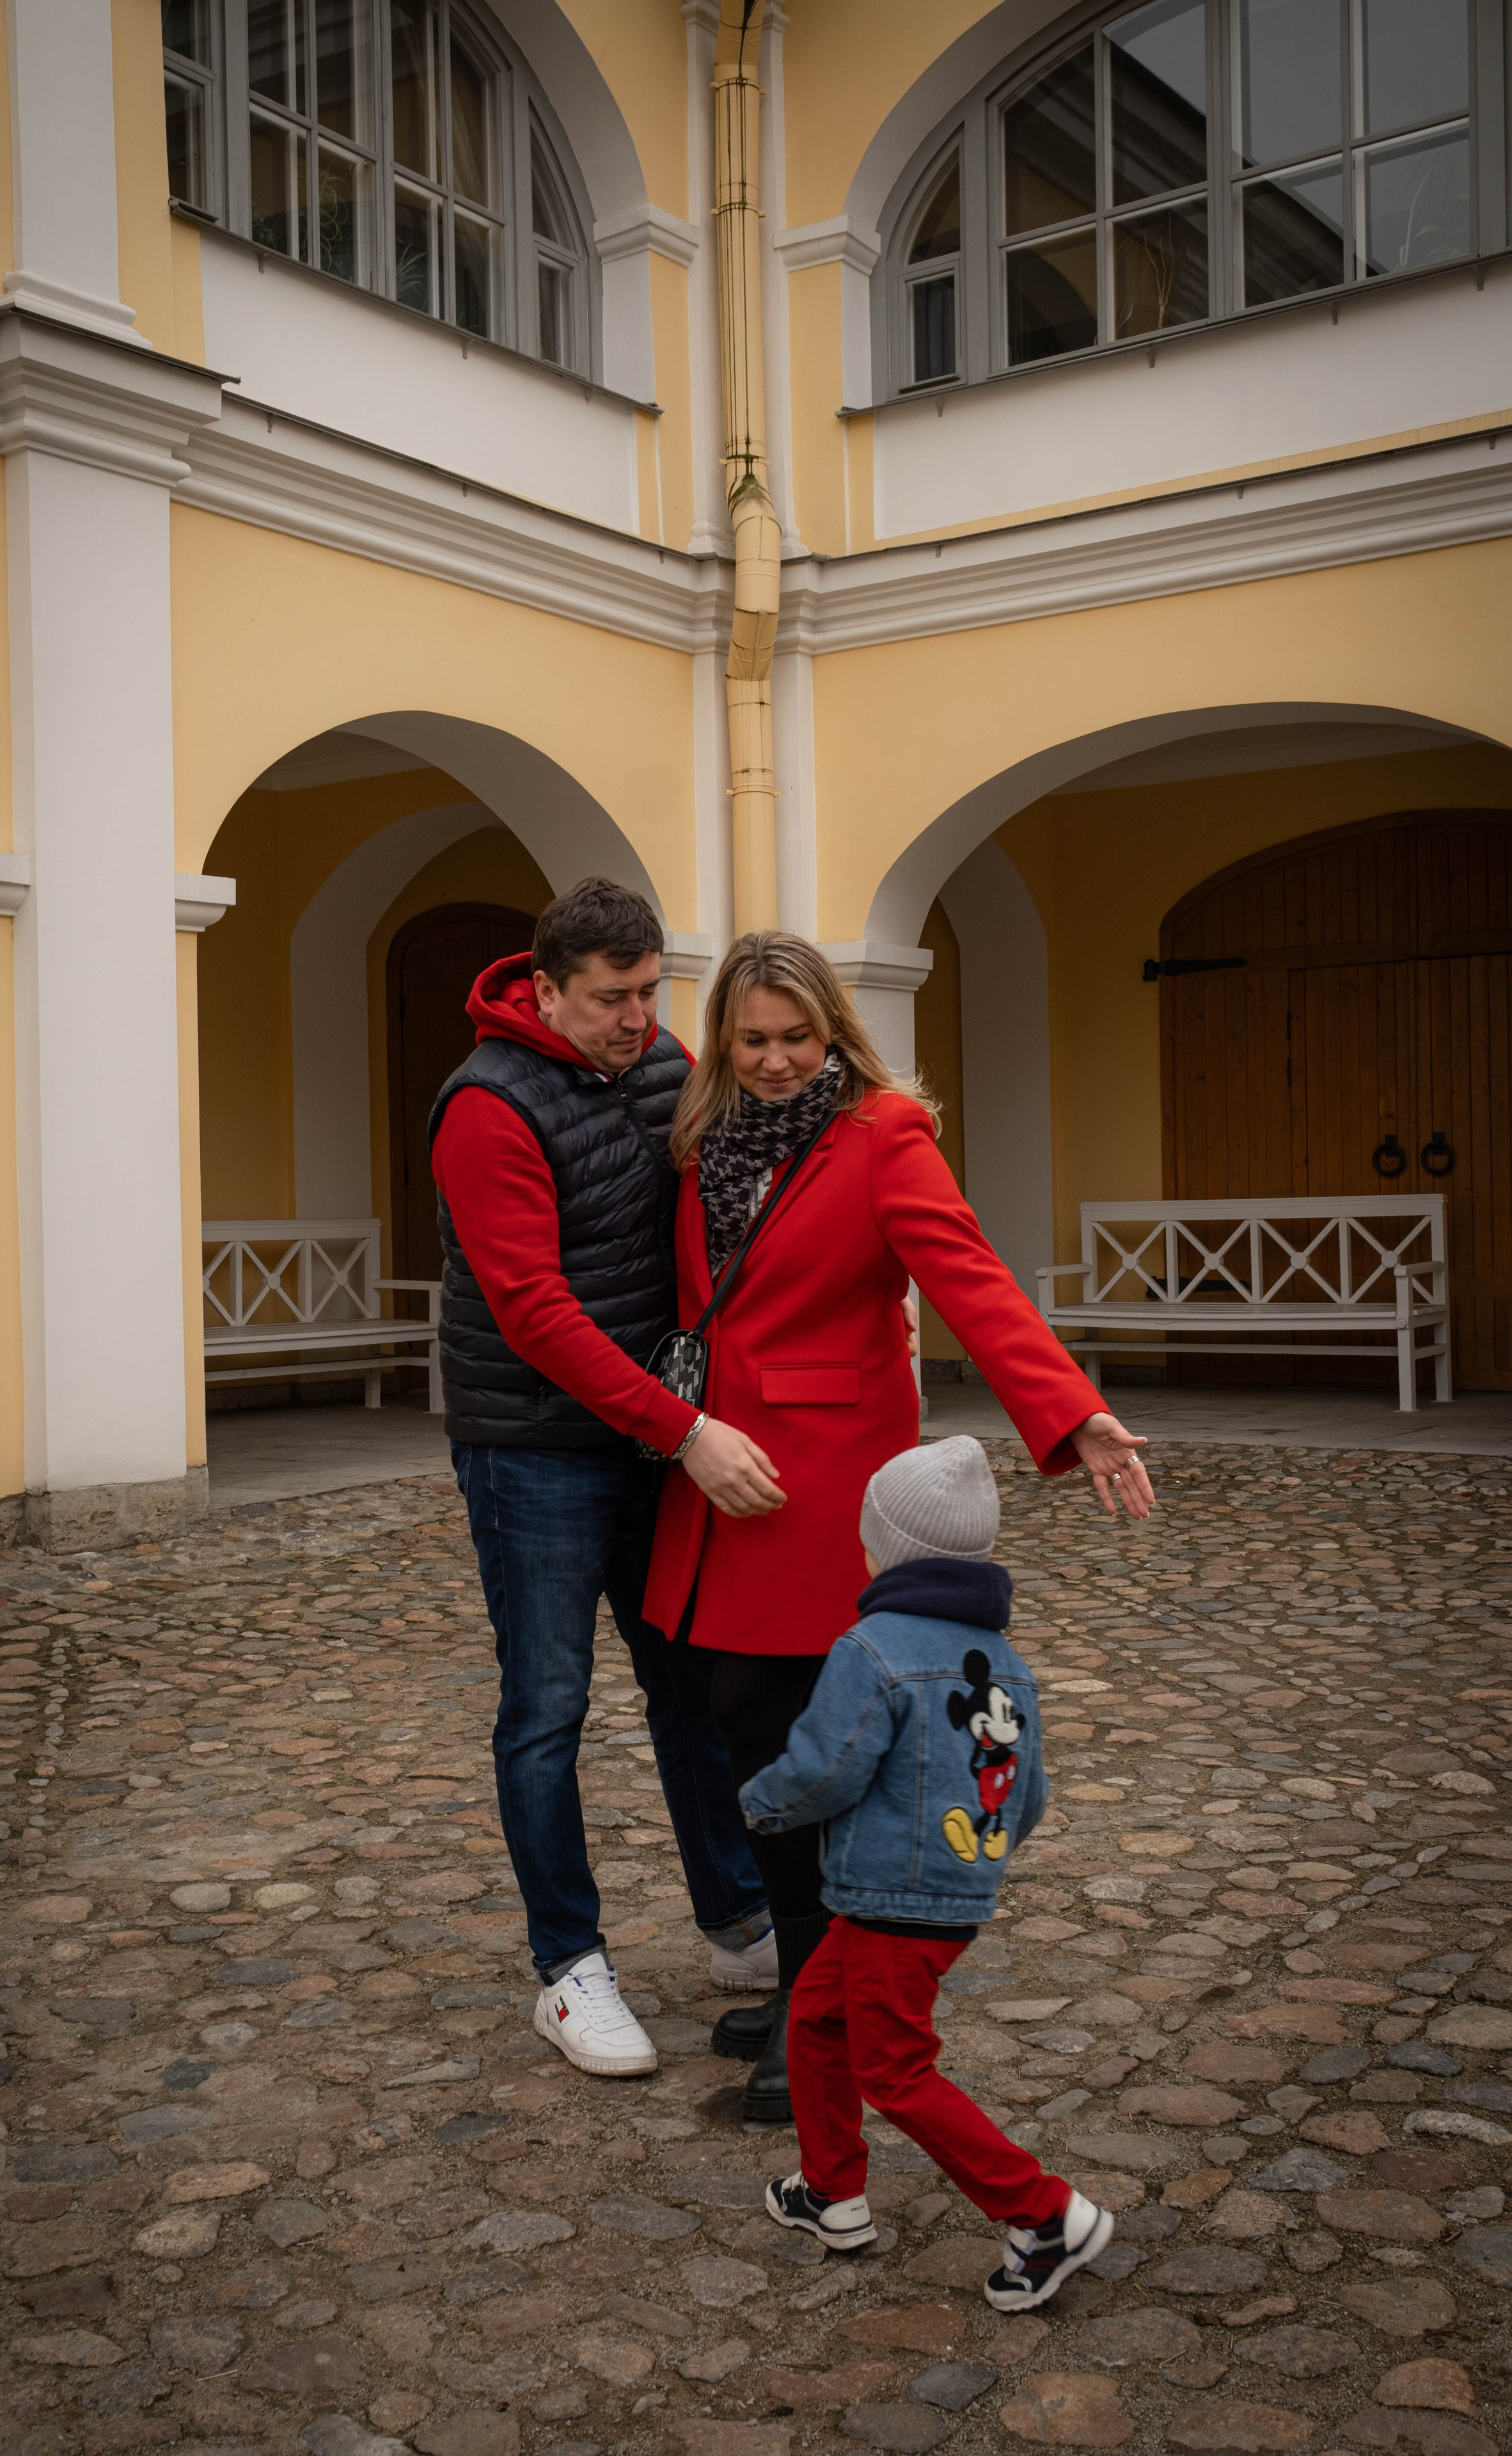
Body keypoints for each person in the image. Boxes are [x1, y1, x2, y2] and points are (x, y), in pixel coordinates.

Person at [643, 929, 1154, 2118]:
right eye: (753, 1038)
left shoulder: (883, 1137)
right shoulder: (700, 1138)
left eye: (797, 1037)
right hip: (718, 1475)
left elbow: (971, 1279)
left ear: (836, 1033)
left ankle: (812, 2027)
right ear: (725, 1037)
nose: (774, 1060)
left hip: (820, 1480)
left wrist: (1070, 1414)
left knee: (790, 1729)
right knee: (734, 1715)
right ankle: (798, 1987)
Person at [429, 879, 789, 2079]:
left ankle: (737, 1922)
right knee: (547, 1710)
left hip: (646, 1434)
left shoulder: (660, 1063)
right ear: (545, 988)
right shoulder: (486, 1107)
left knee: (688, 1680)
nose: (639, 1020)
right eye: (610, 999)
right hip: (533, 1448)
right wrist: (685, 1431)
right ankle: (568, 1970)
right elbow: (534, 1313)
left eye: (649, 993)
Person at [740, 1436, 1115, 2312]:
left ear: (882, 1547)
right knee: (819, 2019)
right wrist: (972, 1863)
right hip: (946, 1895)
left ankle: (1044, 2212)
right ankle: (831, 2192)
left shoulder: (871, 1648)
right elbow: (1031, 1793)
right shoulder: (1010, 1667)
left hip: (884, 1900)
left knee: (896, 2069)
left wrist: (760, 1804)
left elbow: (827, 1766)